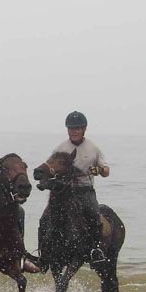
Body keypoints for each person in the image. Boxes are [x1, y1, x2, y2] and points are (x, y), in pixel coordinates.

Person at [50, 110, 109, 262]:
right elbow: (49, 168)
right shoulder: (60, 148)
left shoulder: (93, 148)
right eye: (71, 128)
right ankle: (44, 252)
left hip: (84, 191)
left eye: (77, 128)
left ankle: (96, 250)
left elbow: (106, 171)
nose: (73, 131)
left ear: (84, 129)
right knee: (45, 218)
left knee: (94, 215)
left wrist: (100, 170)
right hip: (64, 191)